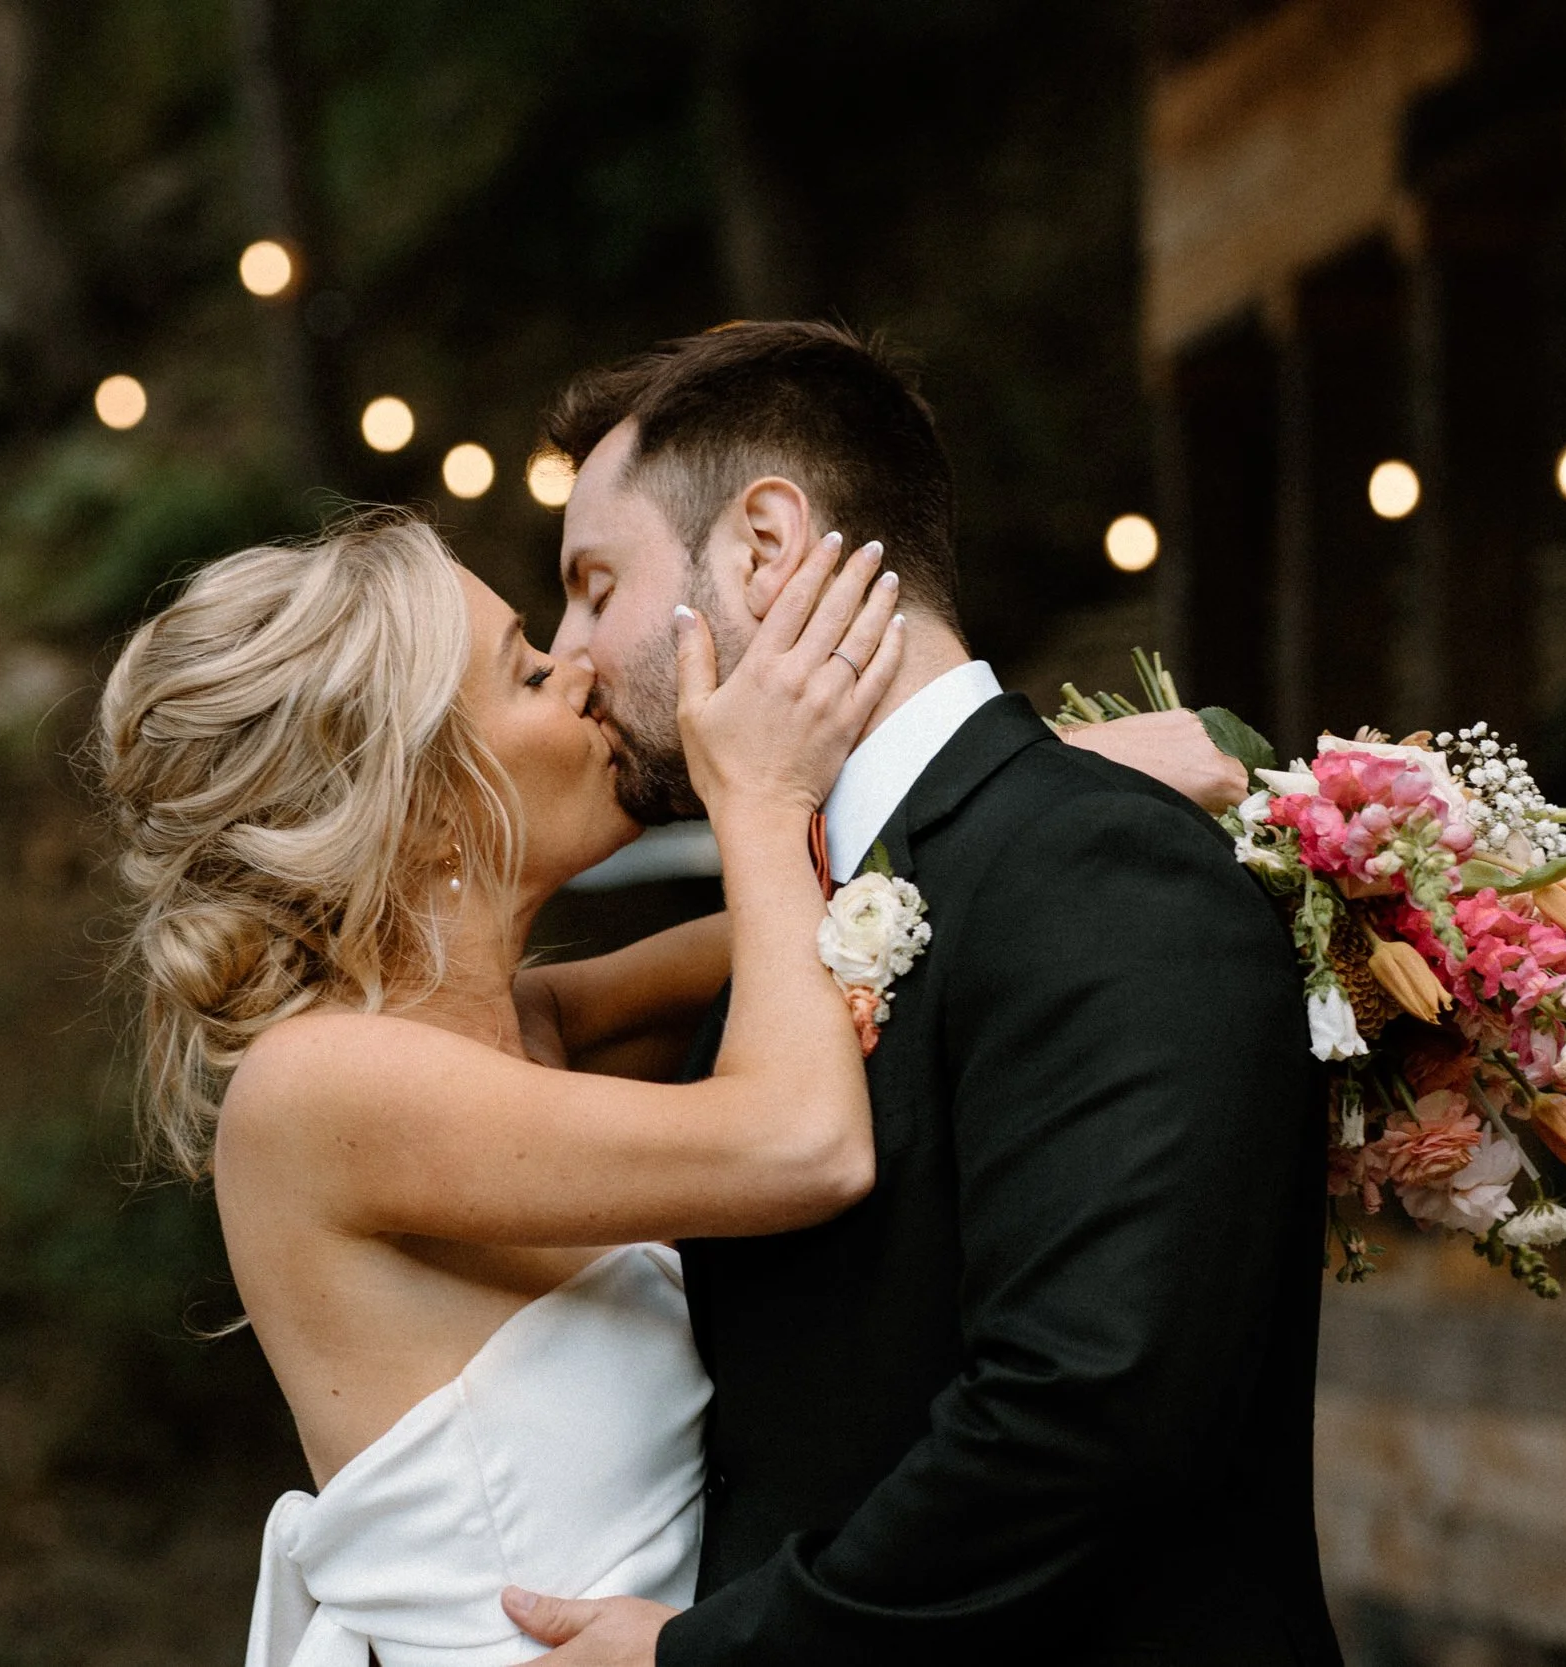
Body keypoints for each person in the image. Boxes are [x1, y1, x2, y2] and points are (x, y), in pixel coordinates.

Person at [92, 507, 1231, 1667]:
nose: (584, 673)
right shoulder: (317, 1086)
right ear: (427, 792)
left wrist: (1059, 777)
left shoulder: (525, 1025)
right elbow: (802, 1141)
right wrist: (761, 796)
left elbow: (847, 909)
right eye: (528, 671)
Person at [503, 321, 1343, 1666]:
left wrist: (703, 1655)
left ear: (767, 548)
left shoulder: (1103, 867)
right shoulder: (800, 920)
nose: (575, 652)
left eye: (597, 584)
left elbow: (1086, 1419)